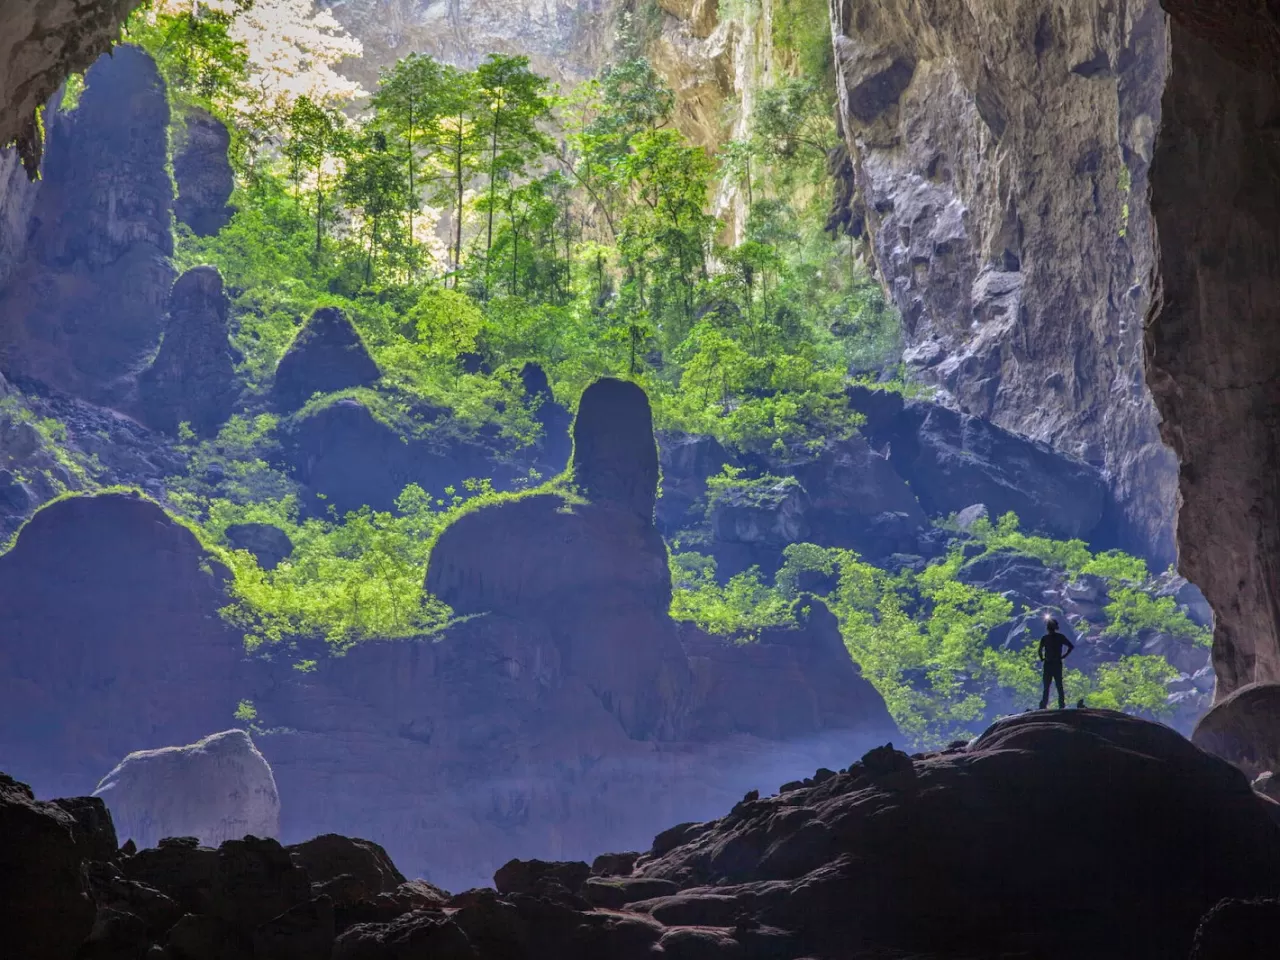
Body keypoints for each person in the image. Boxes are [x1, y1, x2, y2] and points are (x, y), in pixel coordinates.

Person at [1037, 617, 1075, 710]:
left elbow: (1040, 650)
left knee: (1047, 686)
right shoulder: (1060, 637)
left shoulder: (1045, 638)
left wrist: (1042, 658)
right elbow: (1071, 646)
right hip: (1057, 663)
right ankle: (1061, 705)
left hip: (1048, 663)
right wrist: (1064, 656)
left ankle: (1044, 705)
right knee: (1058, 685)